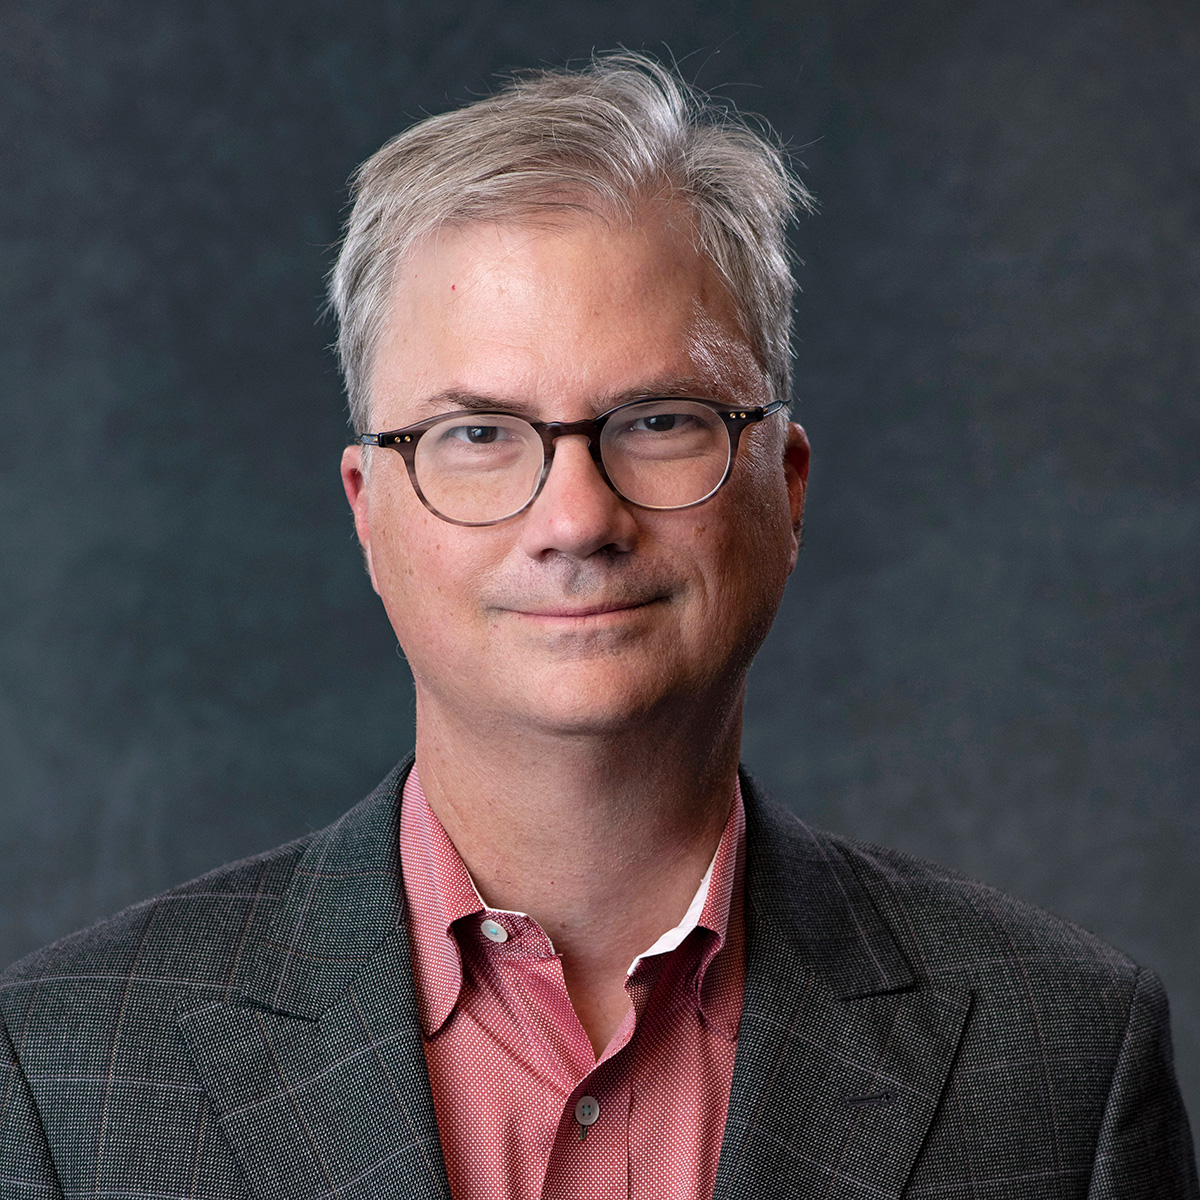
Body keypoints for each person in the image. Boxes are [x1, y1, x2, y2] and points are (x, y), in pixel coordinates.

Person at [1, 53, 1195, 1200]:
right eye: (477, 435)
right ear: (369, 513)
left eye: (660, 419)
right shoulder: (68, 1073)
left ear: (784, 484)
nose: (576, 517)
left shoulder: (1060, 1065)